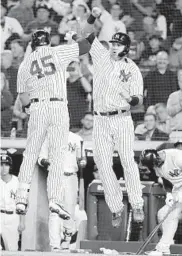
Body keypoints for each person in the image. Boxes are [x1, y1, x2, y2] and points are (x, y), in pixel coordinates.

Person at [15, 23, 99, 218]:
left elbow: (23, 96)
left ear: (33, 45)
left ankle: (21, 199)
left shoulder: (25, 63)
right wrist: (86, 26)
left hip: (37, 106)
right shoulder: (57, 52)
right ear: (47, 42)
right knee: (57, 155)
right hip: (58, 106)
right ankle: (55, 200)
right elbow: (87, 45)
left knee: (31, 153)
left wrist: (31, 110)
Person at [83, 15, 144, 227]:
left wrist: (131, 99)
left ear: (126, 48)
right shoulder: (101, 56)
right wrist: (93, 16)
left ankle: (137, 203)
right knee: (102, 164)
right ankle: (117, 207)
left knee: (128, 160)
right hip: (100, 120)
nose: (113, 47)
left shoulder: (133, 69)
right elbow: (86, 32)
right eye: (112, 43)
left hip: (122, 119)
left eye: (118, 44)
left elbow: (139, 100)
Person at [38, 131, 87, 252]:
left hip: (71, 176)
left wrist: (83, 162)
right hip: (55, 176)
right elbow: (40, 159)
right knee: (54, 211)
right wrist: (48, 162)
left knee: (69, 210)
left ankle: (66, 240)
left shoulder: (76, 138)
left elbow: (82, 159)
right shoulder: (48, 137)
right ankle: (55, 245)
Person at [139, 148, 182, 255]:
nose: (154, 167)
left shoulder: (176, 157)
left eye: (154, 164)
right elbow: (166, 180)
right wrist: (169, 194)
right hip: (177, 190)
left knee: (172, 215)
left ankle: (162, 248)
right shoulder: (156, 165)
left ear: (157, 157)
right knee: (163, 214)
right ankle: (167, 243)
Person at [0, 151, 25, 251]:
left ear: (10, 166)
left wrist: (22, 222)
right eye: (1, 164)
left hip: (13, 217)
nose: (4, 167)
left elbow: (22, 204)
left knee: (12, 249)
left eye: (6, 164)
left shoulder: (18, 182)